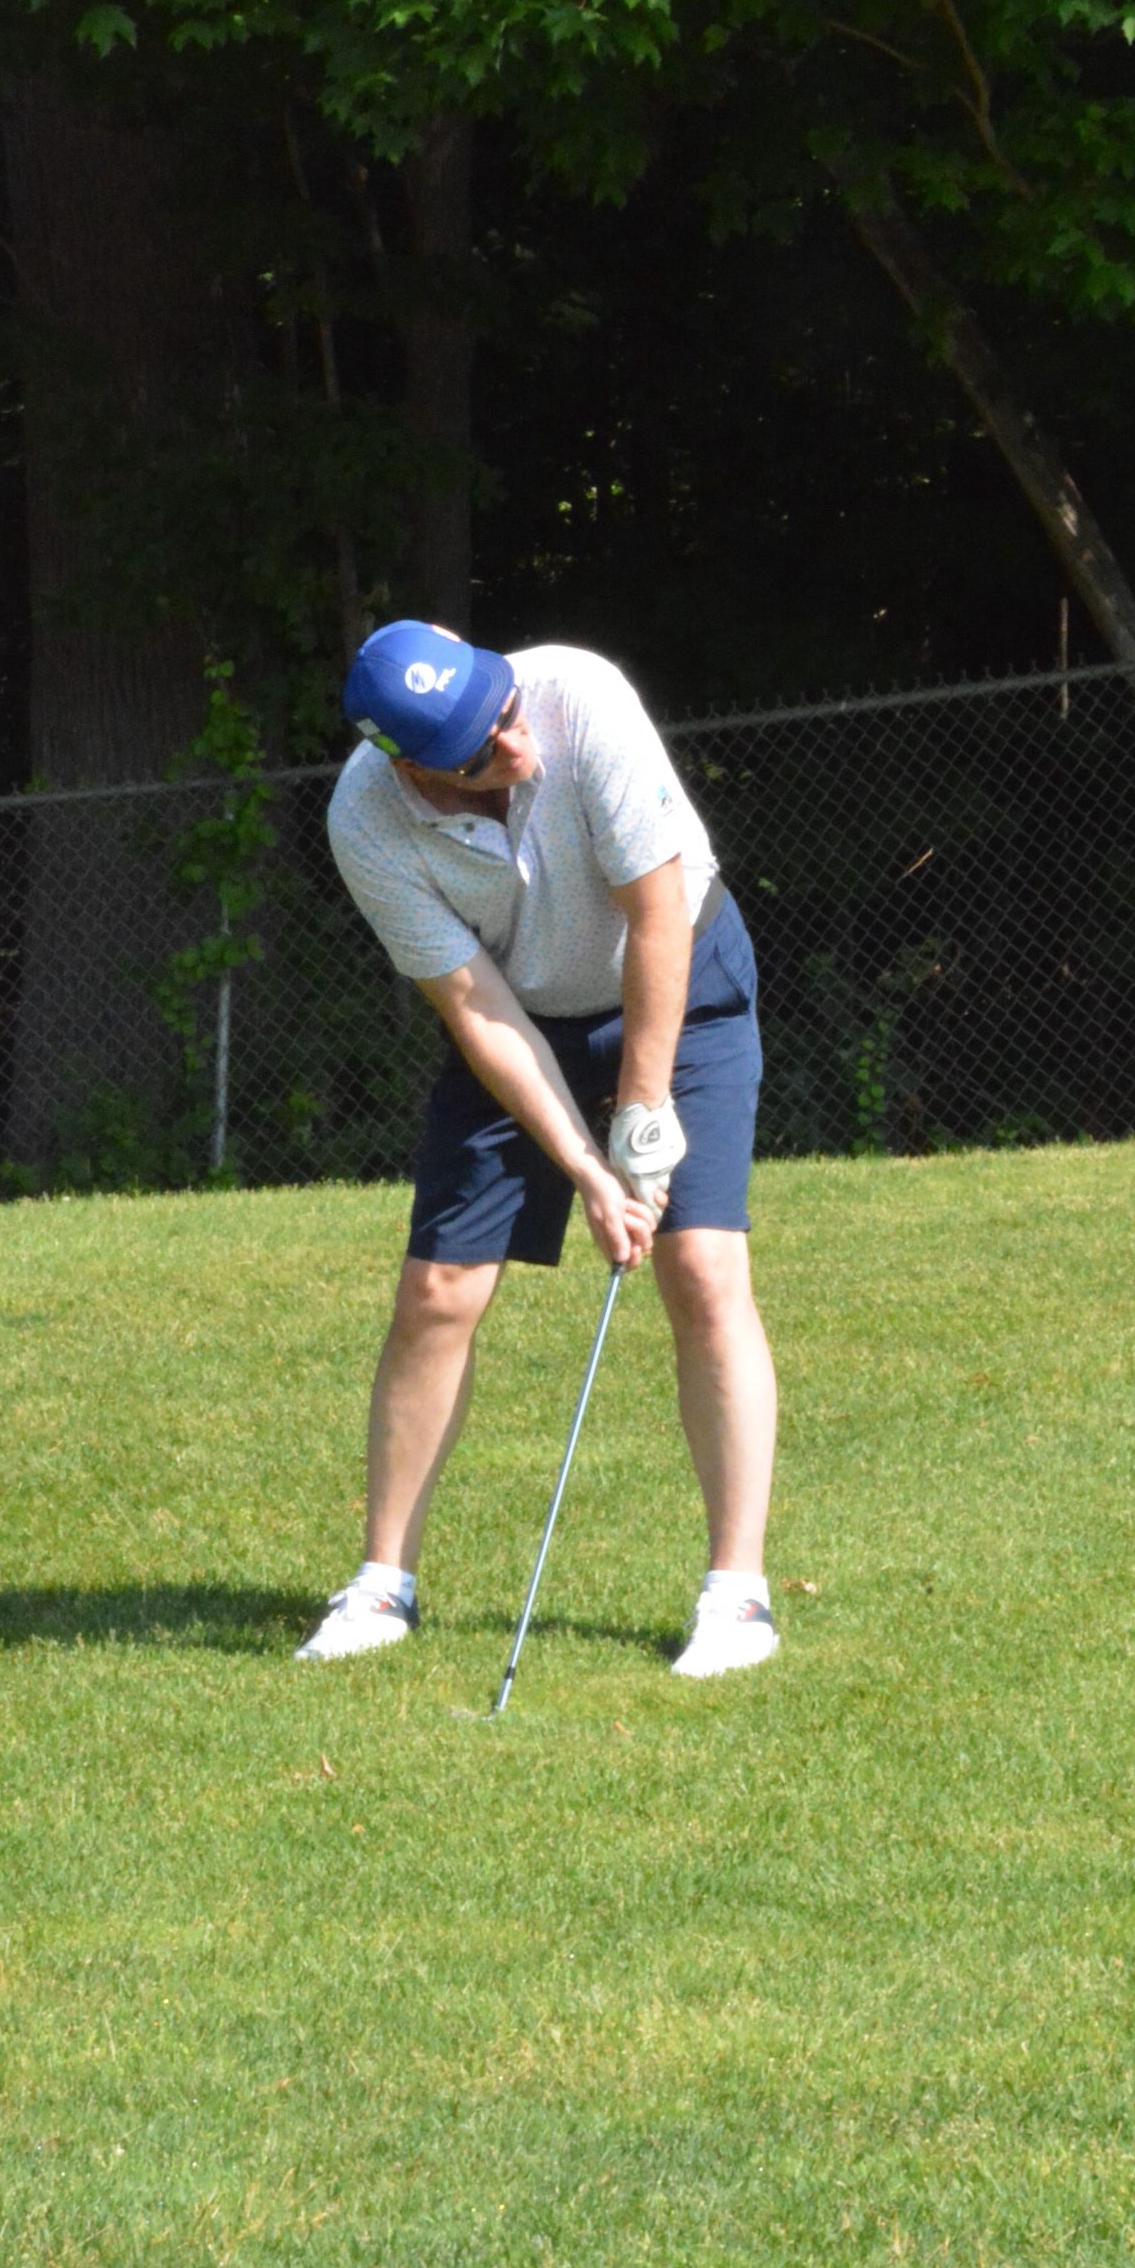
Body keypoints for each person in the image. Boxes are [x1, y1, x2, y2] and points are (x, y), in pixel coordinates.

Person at [295, 618, 779, 1680]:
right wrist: (587, 1170)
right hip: (523, 1016)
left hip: (681, 979)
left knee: (702, 1267)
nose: (518, 745)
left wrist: (640, 1116)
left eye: (506, 711)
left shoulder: (577, 694)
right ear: (414, 770)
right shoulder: (365, 821)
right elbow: (477, 1008)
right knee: (438, 1290)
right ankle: (382, 1585)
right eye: (481, 752)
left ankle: (736, 1596)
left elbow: (658, 912)